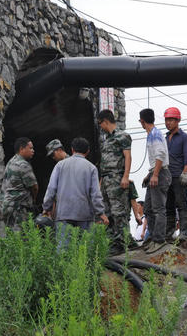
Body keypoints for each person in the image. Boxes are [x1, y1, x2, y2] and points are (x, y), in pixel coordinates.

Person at [42, 137, 109, 237]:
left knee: (64, 250)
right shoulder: (91, 168)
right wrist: (101, 213)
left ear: (72, 149)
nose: (53, 157)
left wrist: (46, 208)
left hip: (64, 214)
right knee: (85, 248)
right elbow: (95, 193)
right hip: (84, 215)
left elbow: (51, 189)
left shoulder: (60, 166)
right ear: (88, 151)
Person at [97, 109, 132, 255]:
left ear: (105, 121)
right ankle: (112, 242)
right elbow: (104, 163)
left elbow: (128, 157)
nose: (100, 127)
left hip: (117, 178)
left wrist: (125, 176)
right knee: (107, 211)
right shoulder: (105, 139)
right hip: (106, 180)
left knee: (119, 212)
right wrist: (100, 183)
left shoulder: (122, 136)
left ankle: (123, 242)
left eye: (100, 123)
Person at [139, 108, 171, 254]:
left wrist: (156, 174)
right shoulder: (151, 134)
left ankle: (159, 240)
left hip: (161, 173)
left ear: (142, 121)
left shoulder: (155, 134)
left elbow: (161, 154)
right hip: (156, 171)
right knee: (148, 209)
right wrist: (150, 174)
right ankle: (152, 237)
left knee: (158, 209)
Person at [164, 107, 187, 241]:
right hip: (166, 176)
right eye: (166, 120)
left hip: (178, 176)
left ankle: (183, 233)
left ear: (178, 120)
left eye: (171, 120)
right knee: (168, 206)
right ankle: (169, 233)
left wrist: (185, 172)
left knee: (181, 204)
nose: (168, 122)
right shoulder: (165, 138)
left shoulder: (185, 138)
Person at [1, 137, 38, 230]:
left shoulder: (11, 162)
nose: (33, 151)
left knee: (11, 236)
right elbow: (34, 187)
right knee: (22, 238)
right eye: (30, 148)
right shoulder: (23, 164)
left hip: (8, 206)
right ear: (22, 149)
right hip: (20, 208)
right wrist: (34, 199)